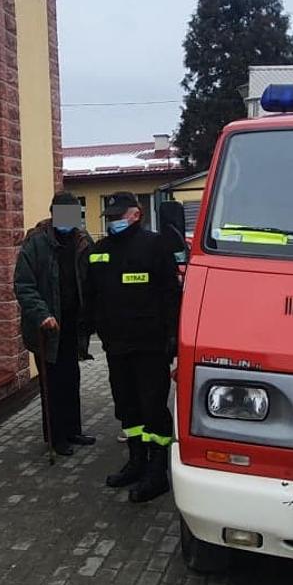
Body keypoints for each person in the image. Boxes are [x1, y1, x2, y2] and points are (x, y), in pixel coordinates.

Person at [83, 192, 182, 503]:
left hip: (150, 346)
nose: (113, 221)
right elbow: (90, 297)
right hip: (116, 346)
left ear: (136, 214)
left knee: (153, 408)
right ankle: (137, 460)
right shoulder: (99, 251)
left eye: (117, 216)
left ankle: (158, 471)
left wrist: (172, 337)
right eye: (109, 217)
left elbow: (171, 295)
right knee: (127, 407)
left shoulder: (156, 246)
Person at [14, 192, 96, 456]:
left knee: (71, 378)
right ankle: (56, 437)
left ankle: (73, 430)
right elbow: (24, 286)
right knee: (53, 383)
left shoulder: (84, 241)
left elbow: (93, 278)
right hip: (47, 327)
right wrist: (42, 314)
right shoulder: (35, 243)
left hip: (73, 324)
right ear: (52, 213)